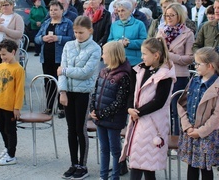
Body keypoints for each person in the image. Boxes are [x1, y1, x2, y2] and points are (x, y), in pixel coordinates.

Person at [120, 37, 176, 180]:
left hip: (153, 123)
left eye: (144, 54)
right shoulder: (139, 70)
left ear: (156, 55)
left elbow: (159, 101)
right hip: (138, 119)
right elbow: (132, 92)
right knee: (139, 161)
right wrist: (130, 108)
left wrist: (138, 112)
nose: (141, 57)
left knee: (145, 163)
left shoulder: (165, 75)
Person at [57, 15, 101, 179]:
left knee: (80, 129)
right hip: (68, 92)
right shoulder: (68, 45)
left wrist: (66, 71)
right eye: (75, 32)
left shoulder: (95, 48)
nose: (78, 36)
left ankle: (83, 165)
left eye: (81, 33)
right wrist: (62, 91)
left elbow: (85, 72)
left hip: (83, 93)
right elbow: (61, 70)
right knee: (70, 129)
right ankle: (73, 163)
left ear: (90, 31)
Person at [90, 41, 131, 180]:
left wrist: (101, 113)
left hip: (113, 120)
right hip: (100, 118)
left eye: (104, 53)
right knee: (104, 149)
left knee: (115, 150)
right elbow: (95, 92)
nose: (102, 55)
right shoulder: (103, 71)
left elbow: (120, 102)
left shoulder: (123, 75)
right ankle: (103, 176)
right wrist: (92, 109)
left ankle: (115, 177)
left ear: (112, 55)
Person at [177, 47, 219, 180]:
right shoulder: (194, 80)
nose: (195, 66)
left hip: (207, 135)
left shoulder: (216, 86)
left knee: (205, 169)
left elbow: (216, 116)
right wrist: (187, 126)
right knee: (191, 167)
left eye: (198, 64)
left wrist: (200, 131)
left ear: (210, 66)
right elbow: (181, 104)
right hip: (190, 131)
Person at [156, 3, 194, 135]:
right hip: (162, 73)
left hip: (179, 75)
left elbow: (190, 58)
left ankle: (177, 140)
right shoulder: (161, 31)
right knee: (162, 109)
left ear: (179, 16)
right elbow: (155, 51)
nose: (169, 18)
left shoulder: (188, 33)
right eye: (167, 15)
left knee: (176, 111)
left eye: (172, 15)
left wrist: (169, 55)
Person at [0, 39, 25, 166]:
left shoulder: (18, 69)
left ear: (13, 52)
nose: (2, 57)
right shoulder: (0, 66)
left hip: (10, 106)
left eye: (4, 54)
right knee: (0, 127)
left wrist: (17, 108)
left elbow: (19, 90)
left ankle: (11, 155)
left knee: (10, 130)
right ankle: (7, 148)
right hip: (0, 103)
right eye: (0, 54)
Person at [35, 0, 74, 119]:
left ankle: (62, 108)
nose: (53, 12)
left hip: (60, 58)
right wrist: (43, 38)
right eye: (51, 10)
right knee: (48, 82)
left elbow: (72, 39)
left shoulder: (68, 23)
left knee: (61, 82)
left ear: (62, 10)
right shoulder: (46, 23)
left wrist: (58, 38)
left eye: (56, 9)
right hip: (46, 57)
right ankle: (49, 106)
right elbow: (36, 38)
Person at [108, 0, 147, 66]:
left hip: (135, 61)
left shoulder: (139, 24)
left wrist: (129, 43)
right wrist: (118, 42)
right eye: (119, 11)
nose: (120, 13)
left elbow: (144, 42)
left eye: (123, 10)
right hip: (117, 61)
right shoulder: (114, 25)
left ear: (130, 11)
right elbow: (109, 41)